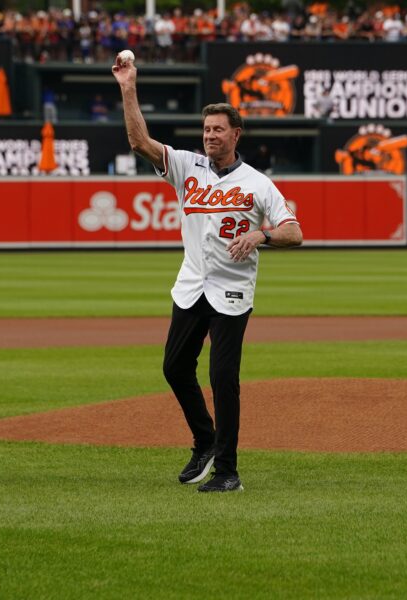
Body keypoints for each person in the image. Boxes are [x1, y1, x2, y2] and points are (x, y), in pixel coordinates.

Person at [112, 55, 303, 493]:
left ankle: (228, 472)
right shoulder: (187, 167)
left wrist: (261, 236)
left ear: (236, 134)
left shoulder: (257, 183)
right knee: (175, 367)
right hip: (192, 285)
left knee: (223, 379)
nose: (210, 135)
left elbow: (295, 232)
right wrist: (128, 87)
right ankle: (205, 442)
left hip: (232, 291)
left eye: (218, 129)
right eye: (206, 130)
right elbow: (140, 141)